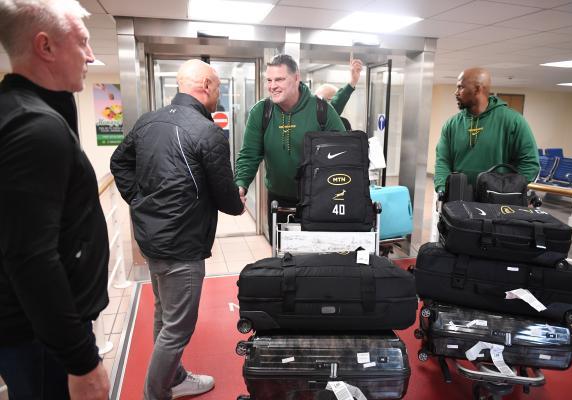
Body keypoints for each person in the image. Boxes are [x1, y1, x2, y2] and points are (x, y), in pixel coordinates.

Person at [110, 59, 244, 400]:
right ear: (206, 87)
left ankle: (175, 376)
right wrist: (239, 200)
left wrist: (140, 201)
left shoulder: (147, 122)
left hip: (152, 240)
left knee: (164, 313)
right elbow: (227, 199)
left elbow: (118, 162)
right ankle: (156, 393)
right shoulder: (208, 132)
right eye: (216, 86)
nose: (217, 94)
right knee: (177, 328)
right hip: (182, 245)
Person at [0, 0, 110, 399]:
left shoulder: (25, 111)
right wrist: (81, 361)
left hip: (37, 333)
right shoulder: (34, 129)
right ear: (45, 47)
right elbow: (30, 258)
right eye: (82, 42)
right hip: (40, 340)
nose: (91, 55)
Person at [235, 54, 345, 238]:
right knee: (281, 257)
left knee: (314, 256)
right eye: (269, 80)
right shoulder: (261, 112)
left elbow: (344, 153)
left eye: (279, 79)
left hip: (318, 199)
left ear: (296, 78)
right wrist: (241, 185)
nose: (272, 86)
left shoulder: (322, 110)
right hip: (279, 200)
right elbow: (249, 155)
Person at [434, 67, 539, 193]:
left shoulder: (513, 121)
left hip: (497, 204)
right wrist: (443, 189)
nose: (456, 92)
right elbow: (442, 161)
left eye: (461, 87)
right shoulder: (452, 124)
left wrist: (508, 191)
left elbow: (530, 164)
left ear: (477, 89)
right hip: (458, 201)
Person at [315, 58, 363, 130]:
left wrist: (352, 83)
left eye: (324, 101)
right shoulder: (309, 118)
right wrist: (352, 83)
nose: (318, 105)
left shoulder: (344, 123)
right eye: (317, 99)